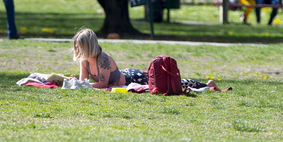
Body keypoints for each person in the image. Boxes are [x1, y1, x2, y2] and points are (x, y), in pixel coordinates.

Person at [71, 28, 216, 90]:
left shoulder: (102, 59)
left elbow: (102, 84)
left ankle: (206, 85)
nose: (77, 50)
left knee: (165, 84)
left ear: (88, 46)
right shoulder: (84, 60)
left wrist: (82, 85)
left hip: (133, 79)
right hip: (125, 76)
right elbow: (84, 82)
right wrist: (77, 84)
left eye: (79, 46)